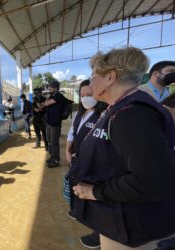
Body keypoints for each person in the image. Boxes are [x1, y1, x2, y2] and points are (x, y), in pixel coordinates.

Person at [72, 47, 175, 249]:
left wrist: (96, 192)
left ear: (110, 76)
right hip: (120, 217)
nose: (91, 82)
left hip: (132, 223)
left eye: (93, 76)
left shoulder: (131, 114)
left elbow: (152, 181)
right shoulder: (122, 107)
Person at [65, 80, 107, 249]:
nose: (86, 98)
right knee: (76, 186)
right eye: (82, 95)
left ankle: (99, 232)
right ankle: (77, 211)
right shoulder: (79, 113)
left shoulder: (103, 114)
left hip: (92, 162)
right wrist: (68, 149)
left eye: (89, 95)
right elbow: (72, 132)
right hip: (76, 159)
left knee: (92, 191)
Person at [41, 80, 66, 168]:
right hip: (49, 122)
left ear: (55, 88)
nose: (49, 88)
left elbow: (46, 103)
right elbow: (46, 103)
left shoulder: (58, 96)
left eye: (50, 87)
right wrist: (48, 96)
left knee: (54, 142)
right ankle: (52, 157)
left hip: (55, 123)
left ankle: (56, 160)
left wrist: (45, 101)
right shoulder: (52, 95)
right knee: (50, 141)